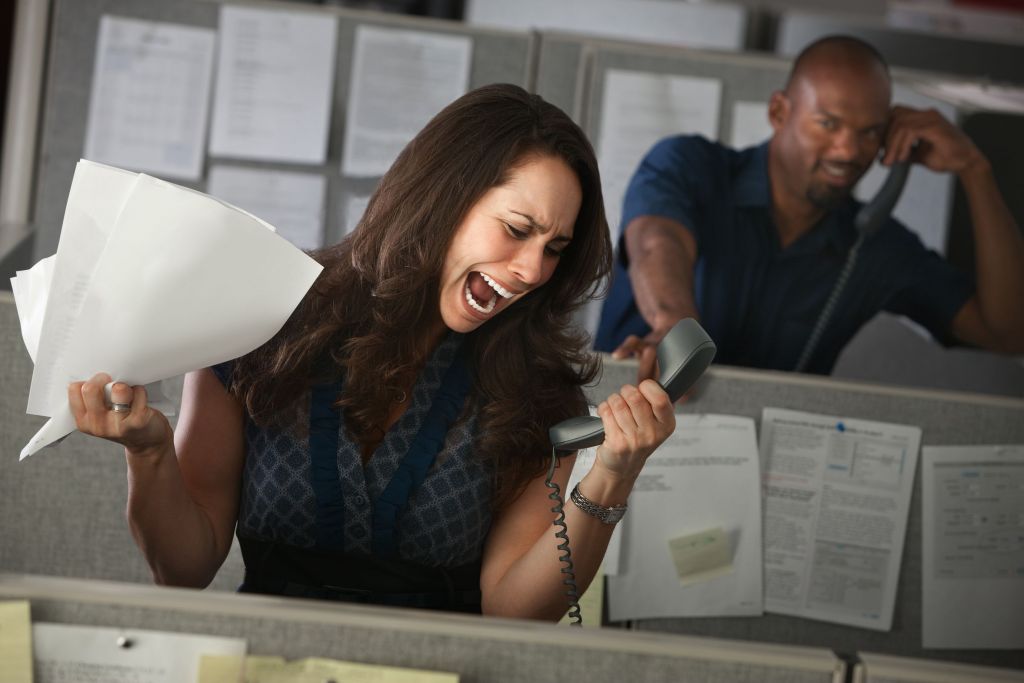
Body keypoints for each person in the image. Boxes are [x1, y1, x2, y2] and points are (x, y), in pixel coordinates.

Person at [67, 84, 676, 621]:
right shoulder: (262, 318)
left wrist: (612, 479)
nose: (530, 270)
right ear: (443, 199)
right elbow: (184, 568)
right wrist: (149, 455)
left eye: (555, 248)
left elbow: (513, 610)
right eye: (518, 230)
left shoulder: (534, 388)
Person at [595, 35, 1024, 378]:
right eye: (829, 124)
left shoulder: (873, 247)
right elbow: (657, 241)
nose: (848, 150)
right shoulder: (690, 166)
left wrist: (975, 170)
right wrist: (674, 325)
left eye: (870, 132)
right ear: (780, 112)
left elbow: (1006, 332)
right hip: (625, 432)